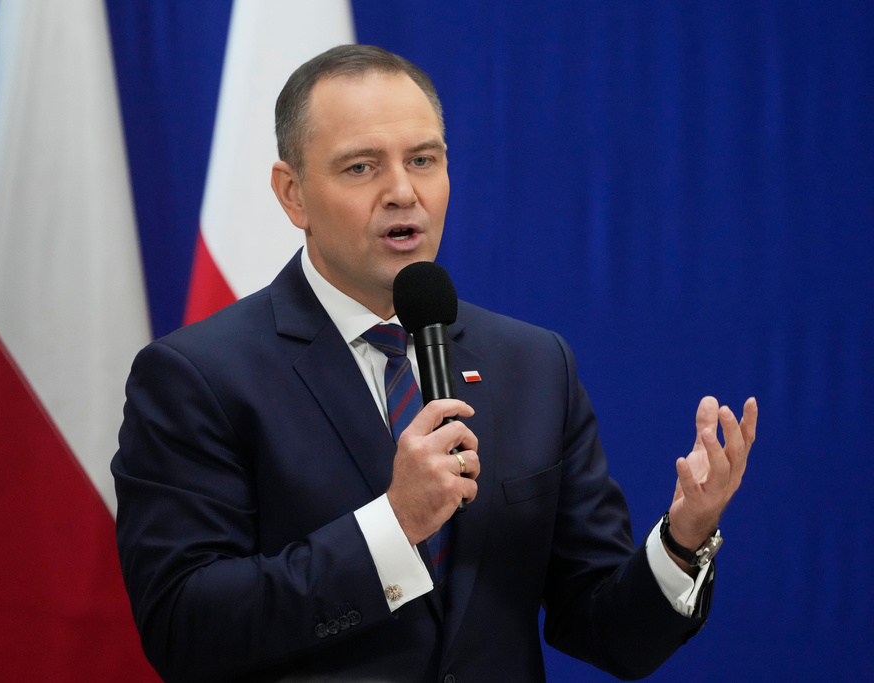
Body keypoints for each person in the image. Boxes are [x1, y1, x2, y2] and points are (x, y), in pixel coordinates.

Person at [112, 44, 758, 683]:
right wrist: (392, 525)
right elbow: (184, 628)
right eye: (362, 167)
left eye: (423, 159)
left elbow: (606, 632)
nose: (402, 192)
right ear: (293, 194)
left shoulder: (533, 364)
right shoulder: (196, 376)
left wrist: (681, 538)